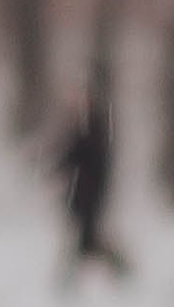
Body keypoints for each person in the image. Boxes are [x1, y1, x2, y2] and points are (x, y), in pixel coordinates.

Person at [50, 67, 131, 284]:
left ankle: (117, 268)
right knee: (85, 238)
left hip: (89, 191)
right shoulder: (82, 124)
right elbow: (70, 155)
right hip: (80, 191)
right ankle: (114, 268)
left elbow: (88, 158)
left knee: (87, 238)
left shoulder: (93, 125)